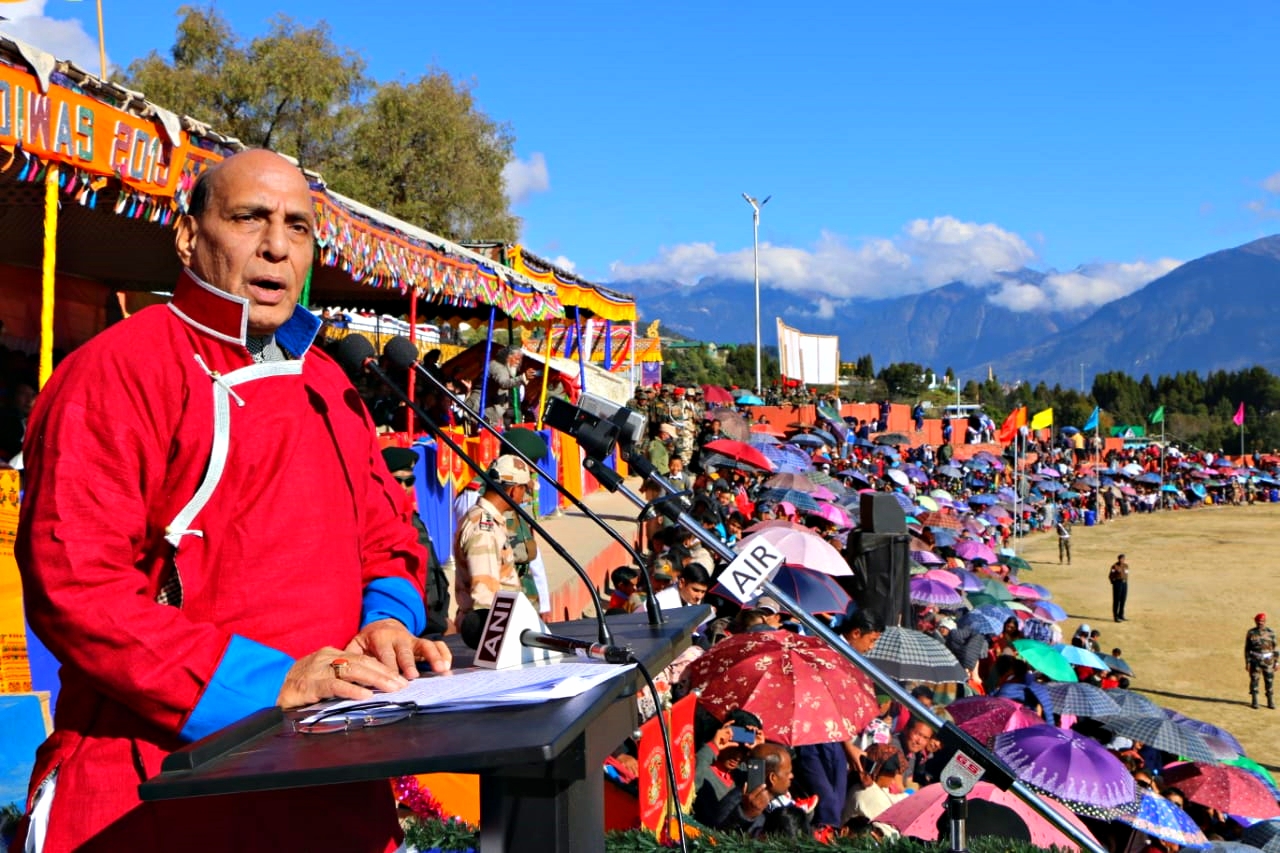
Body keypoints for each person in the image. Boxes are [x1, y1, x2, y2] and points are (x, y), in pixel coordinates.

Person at [14, 149, 450, 853]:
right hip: (161, 787)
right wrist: (273, 683)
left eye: (299, 226)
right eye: (250, 218)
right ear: (188, 237)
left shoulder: (331, 383)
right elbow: (77, 588)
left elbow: (388, 537)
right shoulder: (118, 370)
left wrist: (386, 622)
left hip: (332, 785)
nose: (277, 244)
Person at [453, 454, 535, 637]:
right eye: (524, 490)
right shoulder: (484, 529)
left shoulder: (484, 518)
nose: (524, 497)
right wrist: (495, 642)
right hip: (492, 631)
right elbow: (485, 596)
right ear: (514, 490)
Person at [465, 344, 536, 429]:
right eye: (516, 359)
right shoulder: (498, 367)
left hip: (487, 414)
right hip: (478, 410)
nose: (518, 362)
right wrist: (523, 377)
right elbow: (503, 383)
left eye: (520, 360)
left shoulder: (505, 369)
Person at [1245, 612, 1276, 709]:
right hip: (1255, 660)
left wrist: (1277, 662)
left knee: (1269, 680)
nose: (1260, 623)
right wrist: (1248, 662)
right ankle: (1254, 701)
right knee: (1254, 680)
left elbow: (1275, 648)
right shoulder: (1251, 633)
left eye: (1262, 621)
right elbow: (1247, 648)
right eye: (1258, 621)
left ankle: (1270, 701)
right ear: (1255, 621)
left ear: (1265, 621)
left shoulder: (1271, 632)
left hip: (1268, 660)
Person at [1109, 553, 1129, 622]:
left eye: (1123, 559)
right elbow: (1110, 575)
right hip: (1117, 583)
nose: (1122, 560)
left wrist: (1125, 582)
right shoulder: (1114, 566)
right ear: (1118, 559)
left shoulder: (1126, 566)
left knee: (1123, 600)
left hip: (1124, 583)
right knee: (1116, 600)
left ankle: (1121, 615)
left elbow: (1126, 574)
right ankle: (1116, 616)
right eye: (1121, 559)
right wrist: (1114, 583)